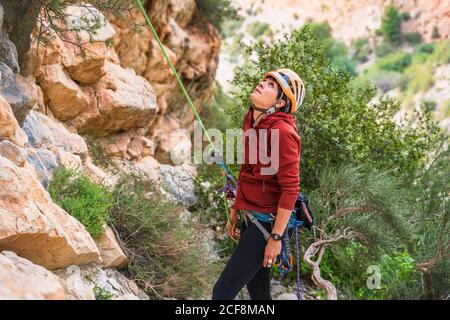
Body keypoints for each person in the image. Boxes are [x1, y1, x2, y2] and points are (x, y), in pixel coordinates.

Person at [212, 68, 305, 300]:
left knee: (222, 292)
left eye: (272, 85)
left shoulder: (283, 132)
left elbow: (290, 189)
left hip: (267, 225)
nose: (263, 84)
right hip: (251, 215)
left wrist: (275, 238)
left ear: (281, 103)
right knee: (259, 295)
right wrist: (236, 207)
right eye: (265, 80)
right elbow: (248, 169)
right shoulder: (252, 119)